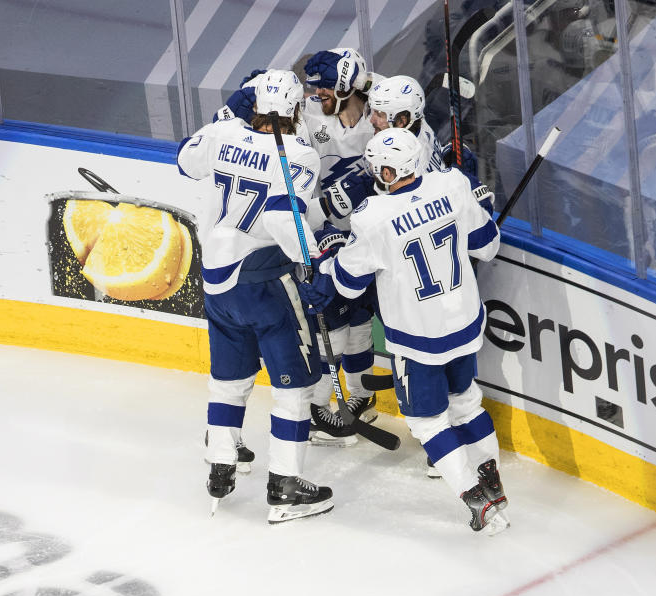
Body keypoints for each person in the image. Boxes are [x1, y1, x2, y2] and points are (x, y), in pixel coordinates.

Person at [299, 127, 508, 533]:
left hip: (418, 341)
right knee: (466, 403)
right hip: (464, 325)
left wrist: (323, 268)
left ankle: (474, 495)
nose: (379, 172)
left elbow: (346, 283)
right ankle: (493, 483)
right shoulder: (452, 185)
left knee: (428, 424)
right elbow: (487, 246)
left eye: (383, 167)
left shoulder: (373, 217)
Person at [176, 69, 334, 523]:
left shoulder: (224, 131)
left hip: (217, 281)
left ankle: (221, 464)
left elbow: (186, 160)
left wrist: (228, 120)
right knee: (295, 390)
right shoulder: (299, 154)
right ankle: (284, 486)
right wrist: (313, 262)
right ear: (294, 110)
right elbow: (287, 219)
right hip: (266, 282)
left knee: (229, 379)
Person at [302, 48, 379, 425]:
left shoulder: (382, 110)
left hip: (372, 235)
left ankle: (363, 396)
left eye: (325, 90)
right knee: (332, 320)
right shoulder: (307, 115)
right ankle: (318, 406)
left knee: (361, 316)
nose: (317, 96)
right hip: (324, 233)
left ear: (348, 87)